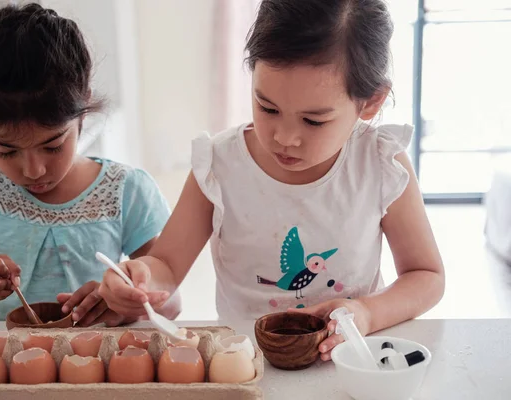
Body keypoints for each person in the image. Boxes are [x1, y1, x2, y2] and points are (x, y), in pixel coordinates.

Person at [99, 0, 445, 360]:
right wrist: (139, 279)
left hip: (351, 362)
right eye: (268, 108)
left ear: (370, 103)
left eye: (313, 121)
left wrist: (368, 313)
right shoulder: (220, 165)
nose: (285, 138)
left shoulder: (380, 162)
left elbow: (427, 275)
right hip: (245, 363)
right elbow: (166, 266)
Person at [0, 3, 179, 326]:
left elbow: (171, 302)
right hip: (0, 371)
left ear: (83, 108)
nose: (33, 170)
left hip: (93, 370)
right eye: (6, 151)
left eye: (52, 146)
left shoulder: (126, 191)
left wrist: (123, 303)